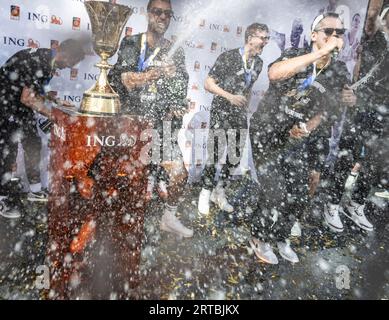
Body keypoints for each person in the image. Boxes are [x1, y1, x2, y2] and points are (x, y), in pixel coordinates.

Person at [249, 12, 354, 263]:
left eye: (339, 33)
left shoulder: (338, 70)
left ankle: (281, 237)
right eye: (328, 31)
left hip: (295, 137)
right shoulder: (296, 54)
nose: (335, 37)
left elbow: (329, 107)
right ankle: (259, 237)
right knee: (274, 190)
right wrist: (321, 53)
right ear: (314, 35)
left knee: (298, 191)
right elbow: (274, 74)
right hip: (267, 131)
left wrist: (309, 125)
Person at [108, 0, 193, 238]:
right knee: (127, 180)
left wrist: (177, 103)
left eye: (168, 14)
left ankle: (168, 217)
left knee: (179, 175)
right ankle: (120, 224)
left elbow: (180, 90)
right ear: (147, 14)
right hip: (131, 124)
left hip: (160, 128)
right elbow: (122, 79)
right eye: (157, 12)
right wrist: (155, 73)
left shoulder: (175, 50)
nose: (163, 17)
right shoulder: (132, 43)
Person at [0, 39, 85, 219]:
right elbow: (28, 97)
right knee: (8, 152)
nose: (69, 67)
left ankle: (36, 191)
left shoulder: (46, 60)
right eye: (71, 63)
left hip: (18, 107)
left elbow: (32, 88)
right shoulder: (41, 61)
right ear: (66, 53)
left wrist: (57, 102)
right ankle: (3, 198)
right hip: (6, 106)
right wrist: (55, 116)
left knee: (33, 144)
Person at [197, 23, 270, 216]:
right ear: (250, 37)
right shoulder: (228, 57)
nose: (265, 42)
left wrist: (242, 101)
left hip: (239, 114)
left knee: (234, 156)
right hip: (222, 111)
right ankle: (204, 192)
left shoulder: (259, 63)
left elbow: (246, 85)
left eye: (267, 39)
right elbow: (208, 83)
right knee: (215, 154)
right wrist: (230, 96)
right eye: (263, 38)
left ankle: (219, 192)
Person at [338, 13, 362, 80]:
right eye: (356, 20)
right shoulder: (344, 37)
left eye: (359, 22)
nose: (357, 23)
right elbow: (339, 58)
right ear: (352, 22)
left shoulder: (357, 43)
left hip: (349, 77)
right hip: (339, 72)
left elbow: (355, 64)